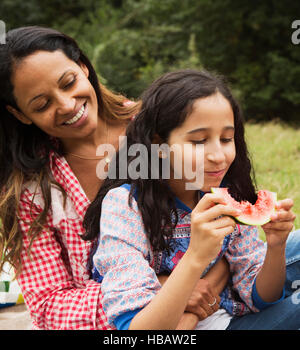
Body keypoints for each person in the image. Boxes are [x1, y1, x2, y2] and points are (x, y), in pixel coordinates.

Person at [0, 26, 230, 330]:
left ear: (83, 67)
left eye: (69, 83)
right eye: (42, 104)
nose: (67, 105)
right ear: (20, 114)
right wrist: (159, 291)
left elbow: (229, 225)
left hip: (213, 303)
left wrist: (198, 294)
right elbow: (48, 305)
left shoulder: (155, 127)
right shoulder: (30, 189)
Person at [82, 69, 300, 330]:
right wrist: (196, 256)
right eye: (199, 141)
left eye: (226, 139)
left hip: (232, 316)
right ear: (158, 145)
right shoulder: (124, 206)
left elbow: (260, 298)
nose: (218, 155)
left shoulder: (228, 194)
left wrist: (275, 247)